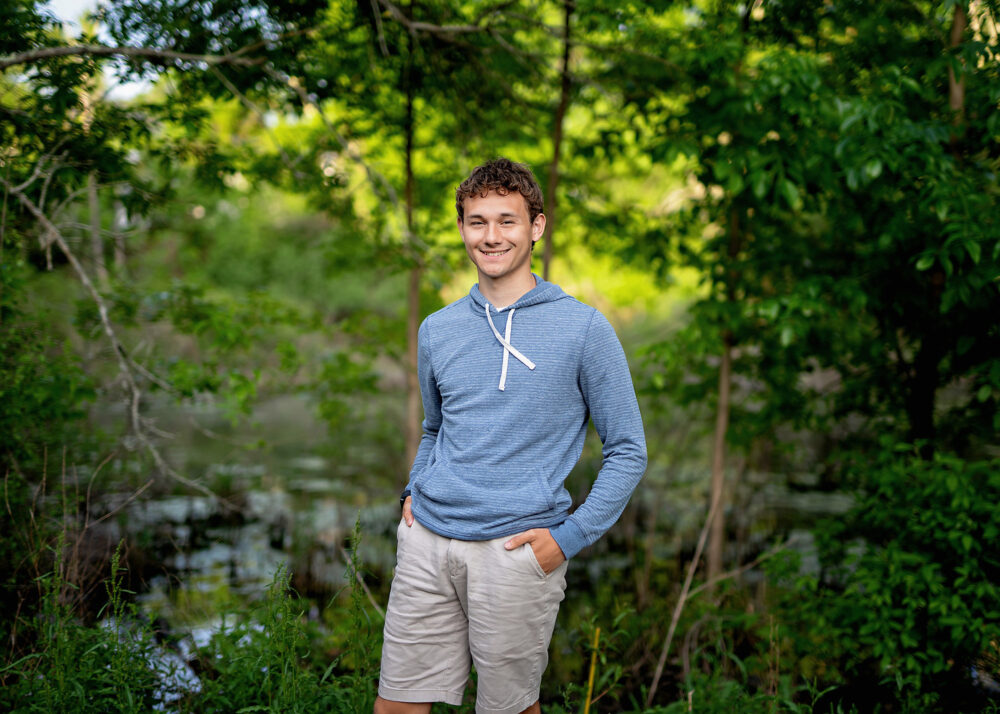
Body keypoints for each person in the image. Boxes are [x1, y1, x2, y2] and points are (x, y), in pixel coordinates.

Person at [374, 158, 646, 714]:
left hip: (514, 552)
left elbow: (627, 451)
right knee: (396, 705)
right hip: (426, 541)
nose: (491, 236)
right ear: (461, 229)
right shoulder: (438, 329)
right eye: (477, 222)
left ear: (536, 227)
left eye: (507, 221)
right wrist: (411, 492)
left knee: (509, 711)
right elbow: (436, 427)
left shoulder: (584, 329)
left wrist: (567, 538)